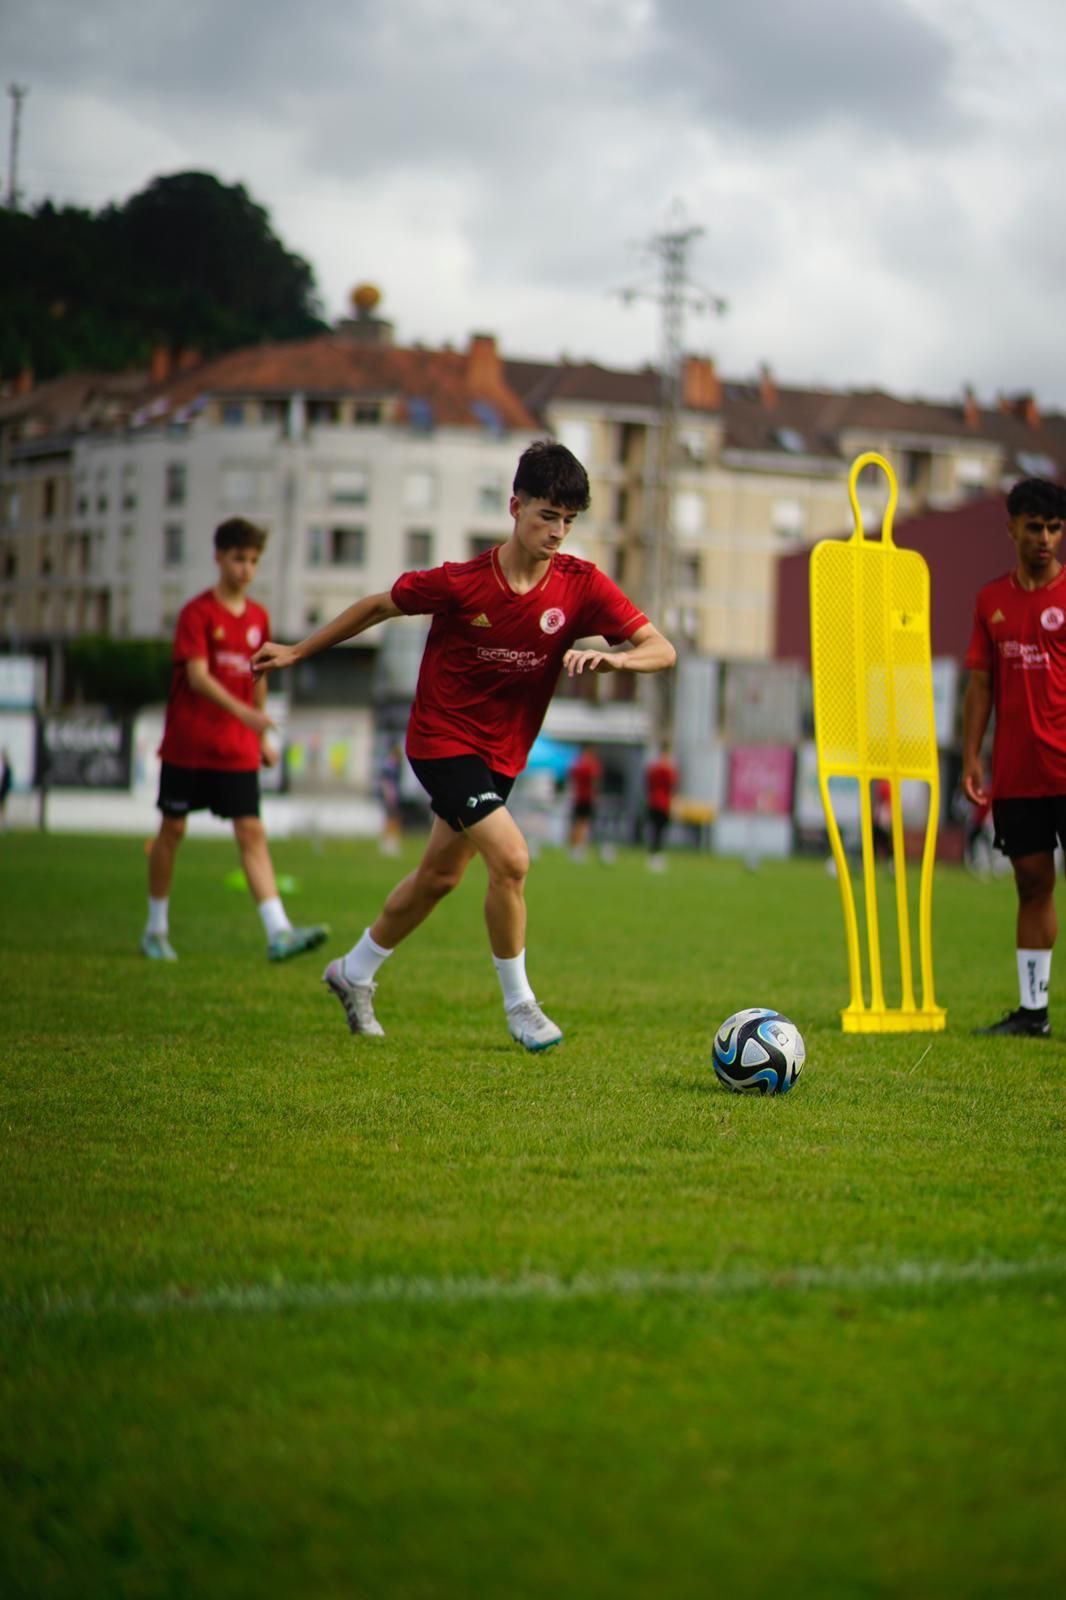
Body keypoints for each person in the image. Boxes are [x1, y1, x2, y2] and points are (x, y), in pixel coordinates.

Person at [252, 440, 676, 1051]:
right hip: (440, 739)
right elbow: (376, 607)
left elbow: (662, 649)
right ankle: (521, 1006)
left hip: (502, 755)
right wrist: (295, 651)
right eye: (546, 516)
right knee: (512, 859)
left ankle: (354, 971)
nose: (557, 532)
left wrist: (617, 661)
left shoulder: (581, 587)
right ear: (514, 506)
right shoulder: (462, 584)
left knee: (438, 878)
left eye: (568, 520)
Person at [140, 516, 329, 963]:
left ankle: (279, 931)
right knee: (172, 830)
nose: (246, 568)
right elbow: (198, 676)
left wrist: (259, 728)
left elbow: (258, 676)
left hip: (236, 749)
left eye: (253, 560)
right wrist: (245, 713)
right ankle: (155, 928)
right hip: (189, 744)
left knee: (251, 831)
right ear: (219, 557)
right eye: (238, 558)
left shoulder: (258, 618)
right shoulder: (197, 613)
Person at [962, 476, 1066, 1036]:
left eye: (1054, 527)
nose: (1045, 537)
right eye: (1035, 526)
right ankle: (1032, 1013)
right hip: (1018, 773)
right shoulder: (990, 601)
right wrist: (972, 756)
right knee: (1031, 884)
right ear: (1013, 529)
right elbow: (980, 685)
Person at [645, 742, 679, 871]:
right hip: (663, 802)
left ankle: (652, 855)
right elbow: (672, 787)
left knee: (655, 829)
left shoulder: (653, 767)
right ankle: (657, 856)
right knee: (660, 830)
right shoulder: (668, 768)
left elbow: (647, 784)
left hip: (653, 801)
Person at [567, 745, 602, 861]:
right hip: (587, 797)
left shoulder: (577, 764)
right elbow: (595, 780)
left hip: (577, 796)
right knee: (584, 823)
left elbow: (571, 777)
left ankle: (573, 847)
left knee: (577, 822)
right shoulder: (591, 765)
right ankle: (579, 848)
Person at [379, 741, 404, 856]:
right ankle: (388, 844)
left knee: (393, 819)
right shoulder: (390, 765)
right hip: (391, 796)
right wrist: (388, 795)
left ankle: (390, 842)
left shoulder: (394, 765)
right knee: (391, 819)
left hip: (394, 796)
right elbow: (385, 781)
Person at [0, 748, 12, 831]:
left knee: (3, 807)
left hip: (3, 790)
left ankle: (3, 823)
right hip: (3, 790)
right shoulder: (4, 767)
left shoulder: (7, 768)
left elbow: (7, 781)